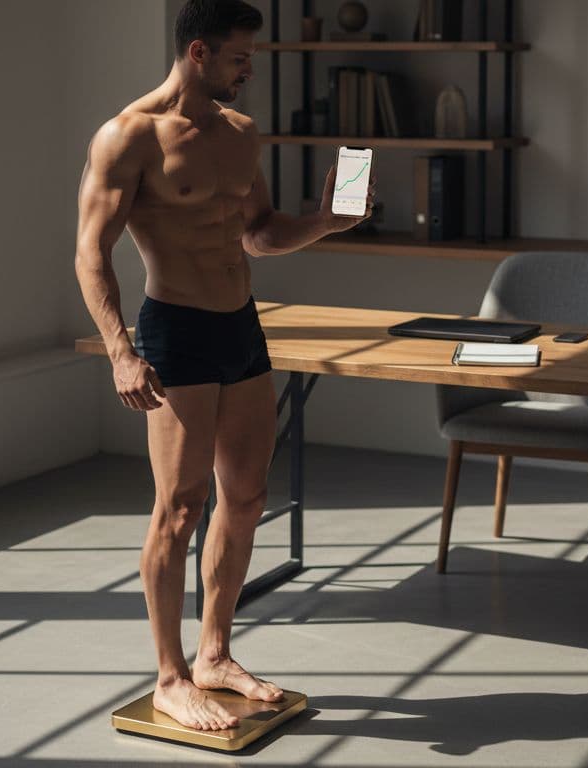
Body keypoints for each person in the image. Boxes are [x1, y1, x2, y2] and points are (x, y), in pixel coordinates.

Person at [74, 0, 376, 732]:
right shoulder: (128, 137)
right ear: (199, 52)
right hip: (174, 332)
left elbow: (260, 236)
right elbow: (91, 254)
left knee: (245, 498)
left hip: (240, 327)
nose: (250, 70)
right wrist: (121, 351)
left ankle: (214, 653)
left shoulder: (242, 133)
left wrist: (325, 223)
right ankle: (171, 676)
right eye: (241, 57)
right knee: (179, 510)